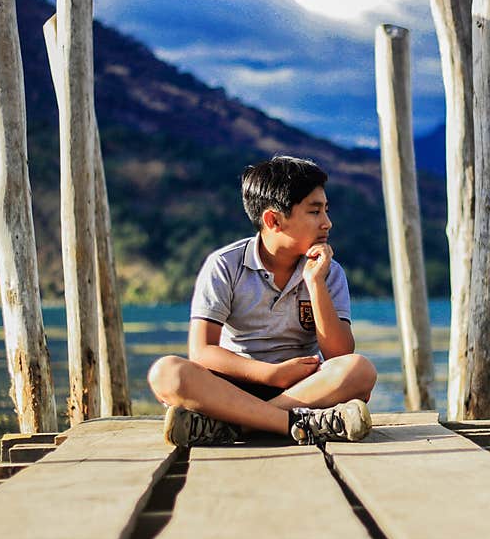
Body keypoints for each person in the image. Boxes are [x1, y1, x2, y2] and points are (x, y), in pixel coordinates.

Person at [148, 155, 377, 447]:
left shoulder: (329, 272)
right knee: (167, 373)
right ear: (274, 220)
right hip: (234, 387)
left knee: (360, 370)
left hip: (303, 388)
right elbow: (202, 351)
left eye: (326, 211)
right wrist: (270, 374)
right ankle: (297, 424)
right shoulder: (225, 265)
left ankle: (234, 426)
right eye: (315, 212)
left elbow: (339, 354)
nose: (327, 223)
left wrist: (315, 283)